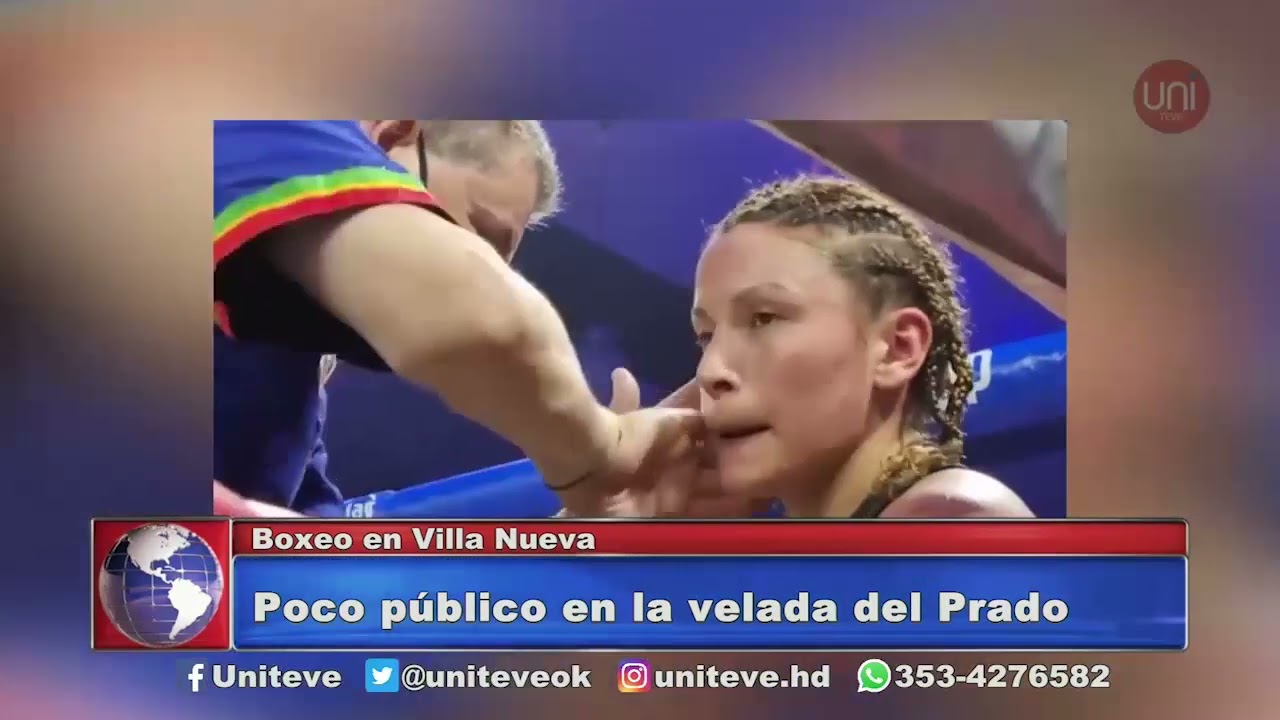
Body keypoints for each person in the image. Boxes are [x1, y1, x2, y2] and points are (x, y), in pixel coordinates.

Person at [214, 120, 702, 517]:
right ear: (393, 134)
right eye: (478, 239)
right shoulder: (256, 127)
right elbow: (487, 322)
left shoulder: (288, 354)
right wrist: (603, 450)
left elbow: (313, 540)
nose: (489, 273)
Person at [607, 174, 1032, 518]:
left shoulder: (953, 523)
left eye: (764, 318)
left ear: (897, 348)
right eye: (707, 336)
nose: (709, 371)